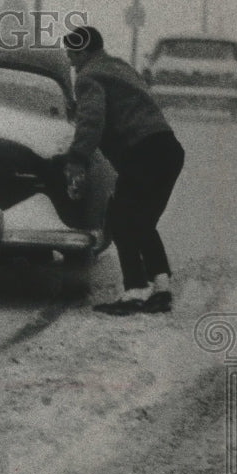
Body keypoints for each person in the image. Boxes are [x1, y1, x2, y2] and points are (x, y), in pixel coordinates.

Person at [62, 25, 185, 315]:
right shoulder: (119, 67)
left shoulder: (89, 77)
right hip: (168, 149)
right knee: (141, 222)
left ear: (84, 51)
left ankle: (135, 292)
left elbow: (92, 121)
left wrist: (77, 156)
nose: (69, 58)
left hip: (142, 152)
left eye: (71, 52)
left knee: (120, 219)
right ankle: (162, 288)